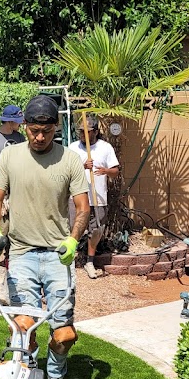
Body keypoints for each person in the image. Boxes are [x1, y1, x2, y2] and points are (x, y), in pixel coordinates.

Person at [0, 94, 90, 379]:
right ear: (25, 127)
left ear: (56, 127)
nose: (40, 137)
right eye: (34, 131)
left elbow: (82, 207)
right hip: (21, 253)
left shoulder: (69, 160)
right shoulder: (10, 156)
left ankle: (55, 377)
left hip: (58, 256)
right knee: (23, 327)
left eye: (46, 131)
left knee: (64, 334)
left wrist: (73, 240)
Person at [70, 114, 119, 279]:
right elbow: (65, 171)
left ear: (96, 132)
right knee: (74, 228)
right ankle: (69, 259)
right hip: (76, 197)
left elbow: (115, 171)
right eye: (81, 131)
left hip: (98, 197)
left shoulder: (105, 148)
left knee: (96, 230)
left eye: (87, 131)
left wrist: (106, 171)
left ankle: (89, 261)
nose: (82, 134)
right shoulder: (73, 148)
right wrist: (82, 166)